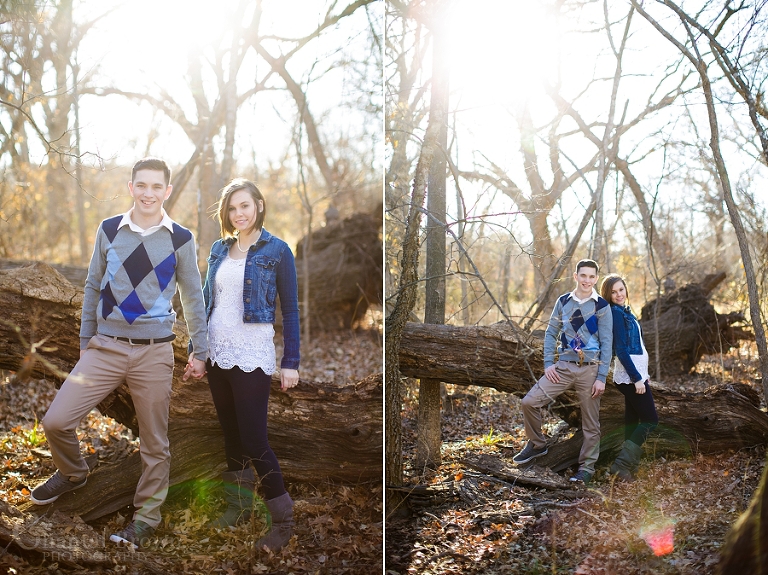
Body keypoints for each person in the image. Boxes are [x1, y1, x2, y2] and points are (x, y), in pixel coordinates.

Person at [30, 157, 208, 550]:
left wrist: (200, 349)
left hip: (154, 353)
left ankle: (145, 520)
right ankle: (73, 473)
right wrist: (85, 342)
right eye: (141, 185)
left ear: (167, 191)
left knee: (154, 443)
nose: (148, 193)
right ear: (131, 187)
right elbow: (93, 285)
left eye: (156, 186)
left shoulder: (180, 238)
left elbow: (193, 297)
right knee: (56, 421)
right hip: (105, 347)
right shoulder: (110, 229)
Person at [186, 178, 299, 552]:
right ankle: (237, 507)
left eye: (245, 206)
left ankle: (283, 521)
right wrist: (198, 352)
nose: (239, 214)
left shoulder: (278, 250)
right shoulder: (219, 249)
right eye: (232, 208)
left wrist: (291, 361)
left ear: (259, 206)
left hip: (251, 353)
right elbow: (207, 301)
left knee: (254, 439)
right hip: (217, 351)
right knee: (231, 435)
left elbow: (291, 310)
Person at [513, 259, 613, 485]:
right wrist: (549, 363)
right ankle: (537, 444)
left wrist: (601, 377)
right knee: (529, 402)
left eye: (591, 276)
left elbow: (607, 343)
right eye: (583, 275)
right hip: (563, 367)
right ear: (575, 276)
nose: (587, 280)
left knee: (591, 424)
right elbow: (551, 333)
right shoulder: (564, 301)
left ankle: (586, 469)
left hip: (590, 370)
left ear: (596, 279)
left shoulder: (601, 306)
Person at [600, 273, 659, 481]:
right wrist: (636, 378)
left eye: (621, 289)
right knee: (651, 420)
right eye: (613, 292)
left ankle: (626, 468)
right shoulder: (615, 313)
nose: (618, 294)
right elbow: (621, 350)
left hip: (636, 374)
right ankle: (622, 465)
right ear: (608, 295)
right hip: (629, 376)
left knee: (632, 420)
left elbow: (638, 346)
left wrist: (643, 374)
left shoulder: (625, 311)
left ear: (626, 289)